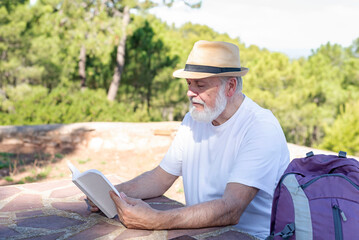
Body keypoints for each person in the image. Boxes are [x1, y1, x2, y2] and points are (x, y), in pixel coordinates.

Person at [89, 40, 290, 239]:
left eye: (200, 85)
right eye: (189, 83)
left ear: (230, 87)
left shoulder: (260, 127)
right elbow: (160, 178)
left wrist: (155, 219)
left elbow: (231, 208)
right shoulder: (194, 119)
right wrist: (110, 194)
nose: (189, 92)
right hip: (201, 233)